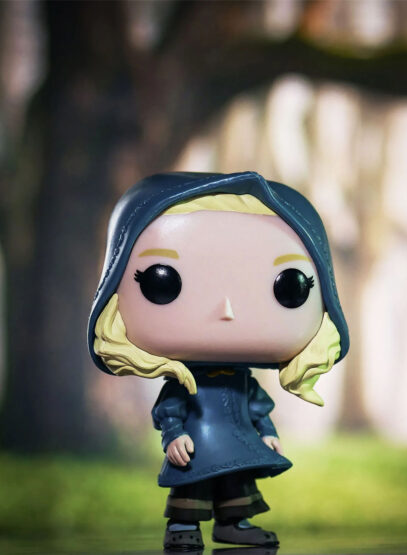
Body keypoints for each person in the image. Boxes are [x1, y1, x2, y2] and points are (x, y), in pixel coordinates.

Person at [88, 172, 349, 550]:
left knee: (237, 483)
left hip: (239, 442)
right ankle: (183, 525)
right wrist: (174, 435)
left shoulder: (244, 381)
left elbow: (258, 407)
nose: (226, 310)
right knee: (191, 483)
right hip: (196, 444)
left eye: (289, 284)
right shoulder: (183, 379)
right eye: (162, 280)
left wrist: (268, 432)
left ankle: (234, 523)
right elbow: (170, 409)